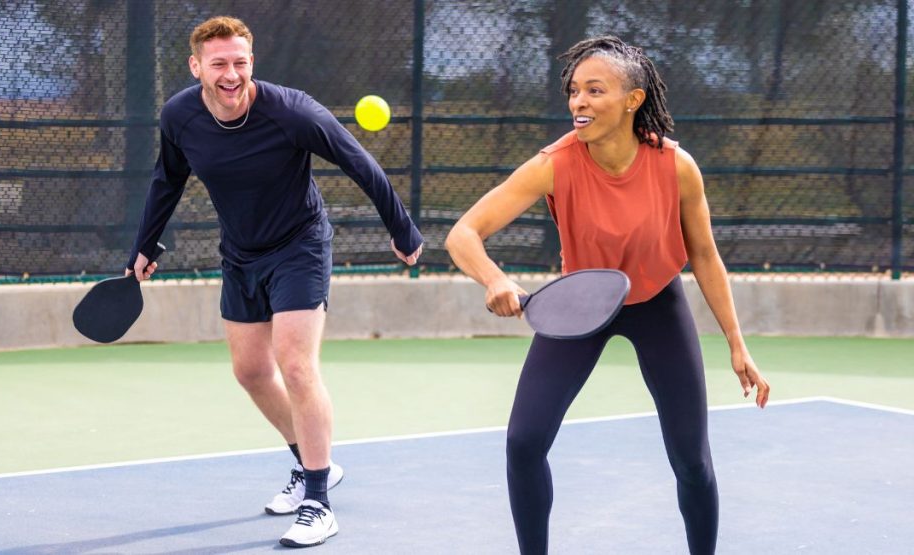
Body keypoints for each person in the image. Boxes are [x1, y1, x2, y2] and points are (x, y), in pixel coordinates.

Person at [445, 36, 769, 554]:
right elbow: (463, 233)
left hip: (657, 304)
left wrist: (736, 342)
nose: (579, 102)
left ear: (632, 99)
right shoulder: (554, 163)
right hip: (582, 306)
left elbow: (705, 255)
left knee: (691, 458)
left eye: (596, 90)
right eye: (574, 91)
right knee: (523, 444)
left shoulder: (676, 166)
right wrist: (495, 278)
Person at [125, 16, 423, 548]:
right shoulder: (181, 116)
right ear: (196, 68)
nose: (232, 74)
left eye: (241, 62)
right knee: (250, 371)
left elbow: (360, 163)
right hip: (240, 252)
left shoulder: (292, 112)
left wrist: (402, 230)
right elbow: (167, 177)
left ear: (251, 63)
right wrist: (145, 245)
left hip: (300, 246)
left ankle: (318, 503)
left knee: (296, 364)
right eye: (219, 64)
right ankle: (315, 466)